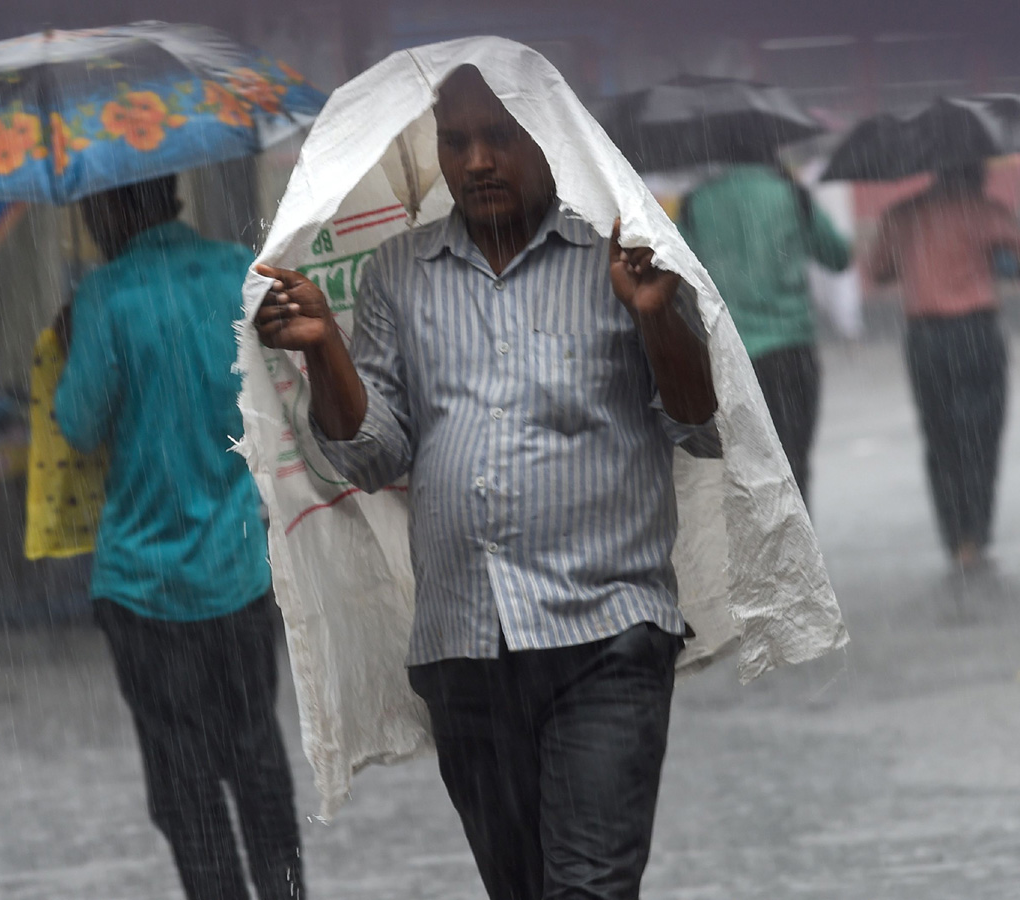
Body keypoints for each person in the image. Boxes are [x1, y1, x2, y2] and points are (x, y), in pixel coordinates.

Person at [255, 65, 720, 900]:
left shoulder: (622, 257)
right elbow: (375, 455)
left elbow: (694, 422)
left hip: (606, 634)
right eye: (456, 141)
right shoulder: (401, 272)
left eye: (498, 136)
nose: (475, 160)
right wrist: (324, 348)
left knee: (588, 889)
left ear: (548, 140)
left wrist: (656, 316)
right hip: (466, 648)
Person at [55, 176, 304, 900]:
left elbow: (78, 423)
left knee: (185, 782)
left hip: (144, 585)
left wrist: (78, 340)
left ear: (113, 205)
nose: (87, 221)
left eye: (91, 206)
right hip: (237, 569)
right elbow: (280, 388)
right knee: (256, 759)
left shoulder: (106, 294)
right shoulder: (237, 271)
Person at [678, 146, 850, 507]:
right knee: (795, 460)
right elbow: (838, 256)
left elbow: (678, 275)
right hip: (792, 351)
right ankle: (799, 556)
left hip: (730, 359)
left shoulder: (696, 202)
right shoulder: (791, 194)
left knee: (745, 468)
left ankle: (760, 557)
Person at [869, 162, 1020, 572]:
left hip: (927, 338)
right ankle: (977, 529)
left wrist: (919, 260)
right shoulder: (983, 209)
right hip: (975, 332)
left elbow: (877, 272)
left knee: (940, 435)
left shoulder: (902, 213)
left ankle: (956, 539)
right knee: (982, 432)